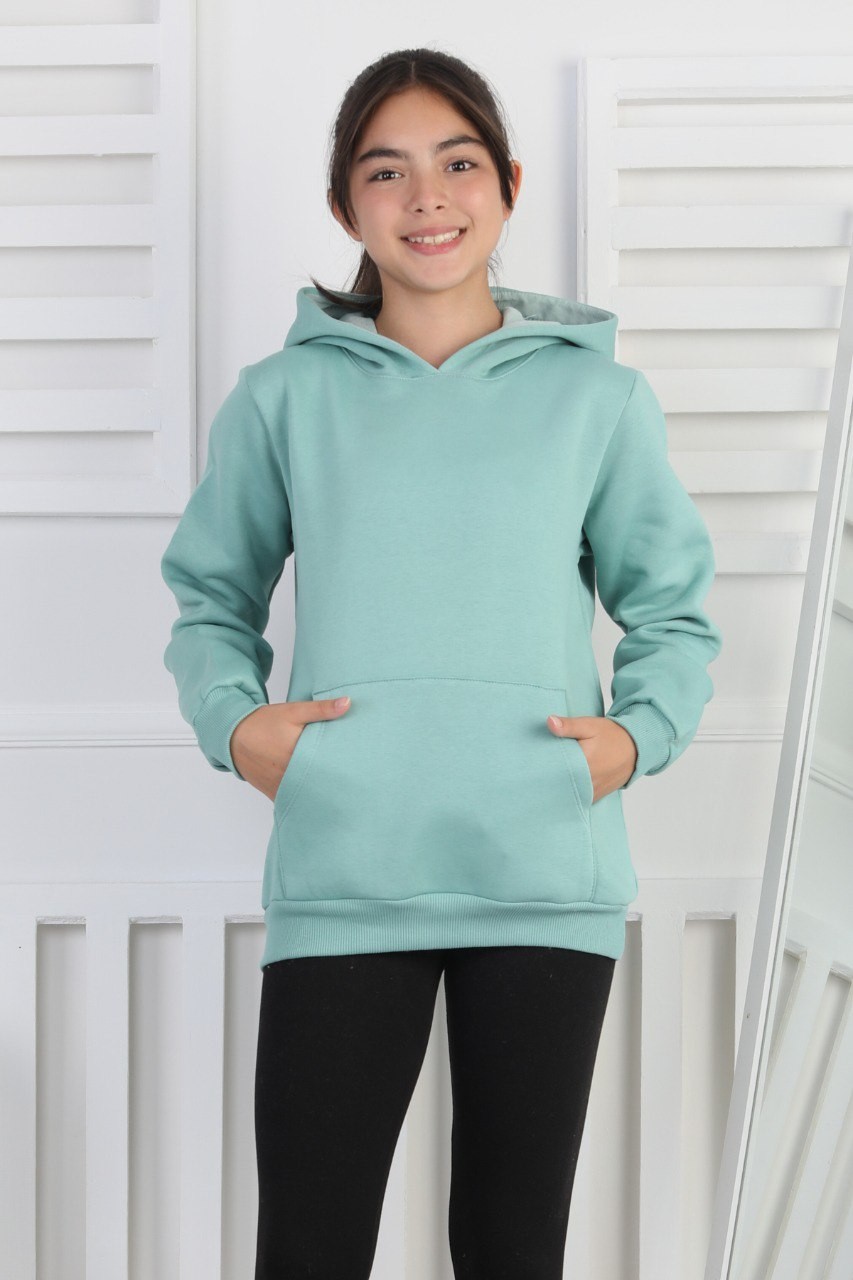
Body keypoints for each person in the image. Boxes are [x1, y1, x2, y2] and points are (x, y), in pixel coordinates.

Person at [160, 47, 722, 1280]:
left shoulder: (599, 401)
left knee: (511, 1252)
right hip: (345, 866)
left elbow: (673, 610)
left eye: (458, 163)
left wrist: (636, 737)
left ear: (508, 184)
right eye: (387, 171)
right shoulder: (281, 398)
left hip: (543, 869)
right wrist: (238, 724)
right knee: (308, 1249)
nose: (428, 197)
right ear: (344, 204)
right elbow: (210, 597)